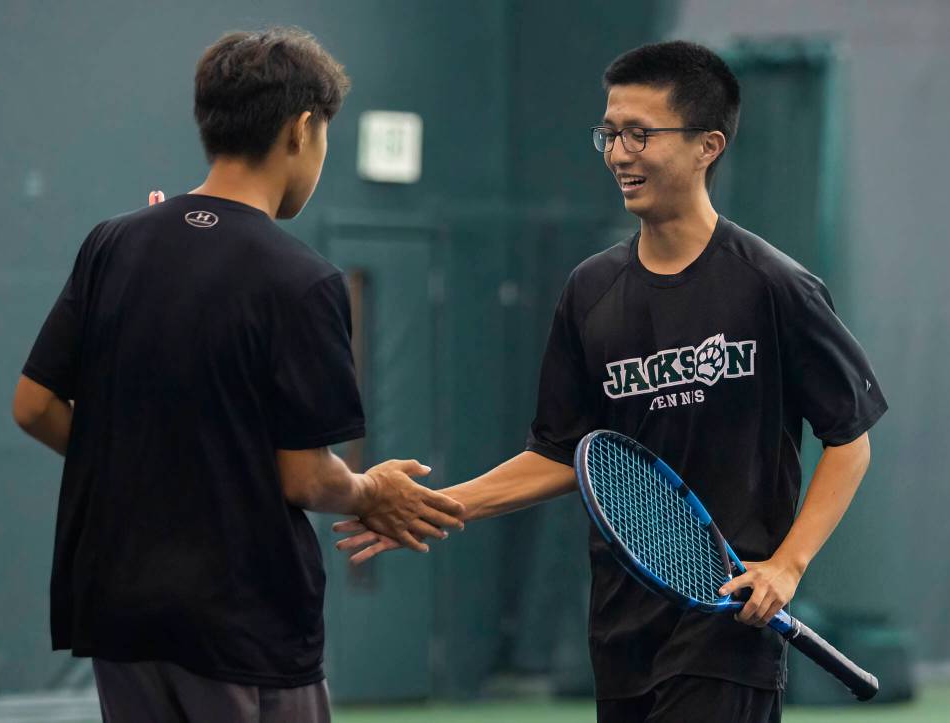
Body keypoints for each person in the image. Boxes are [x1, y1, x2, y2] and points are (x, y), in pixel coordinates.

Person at [335, 40, 887, 723]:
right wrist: (441, 506)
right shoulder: (590, 291)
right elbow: (563, 450)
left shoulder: (775, 286)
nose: (619, 153)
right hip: (621, 631)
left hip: (726, 633)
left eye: (640, 133)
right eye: (610, 132)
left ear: (707, 145)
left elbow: (849, 438)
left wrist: (788, 564)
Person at [12, 27, 464, 723]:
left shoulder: (111, 245)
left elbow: (35, 405)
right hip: (243, 626)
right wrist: (371, 488)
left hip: (120, 614)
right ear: (302, 129)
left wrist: (137, 462)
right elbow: (308, 478)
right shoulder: (303, 281)